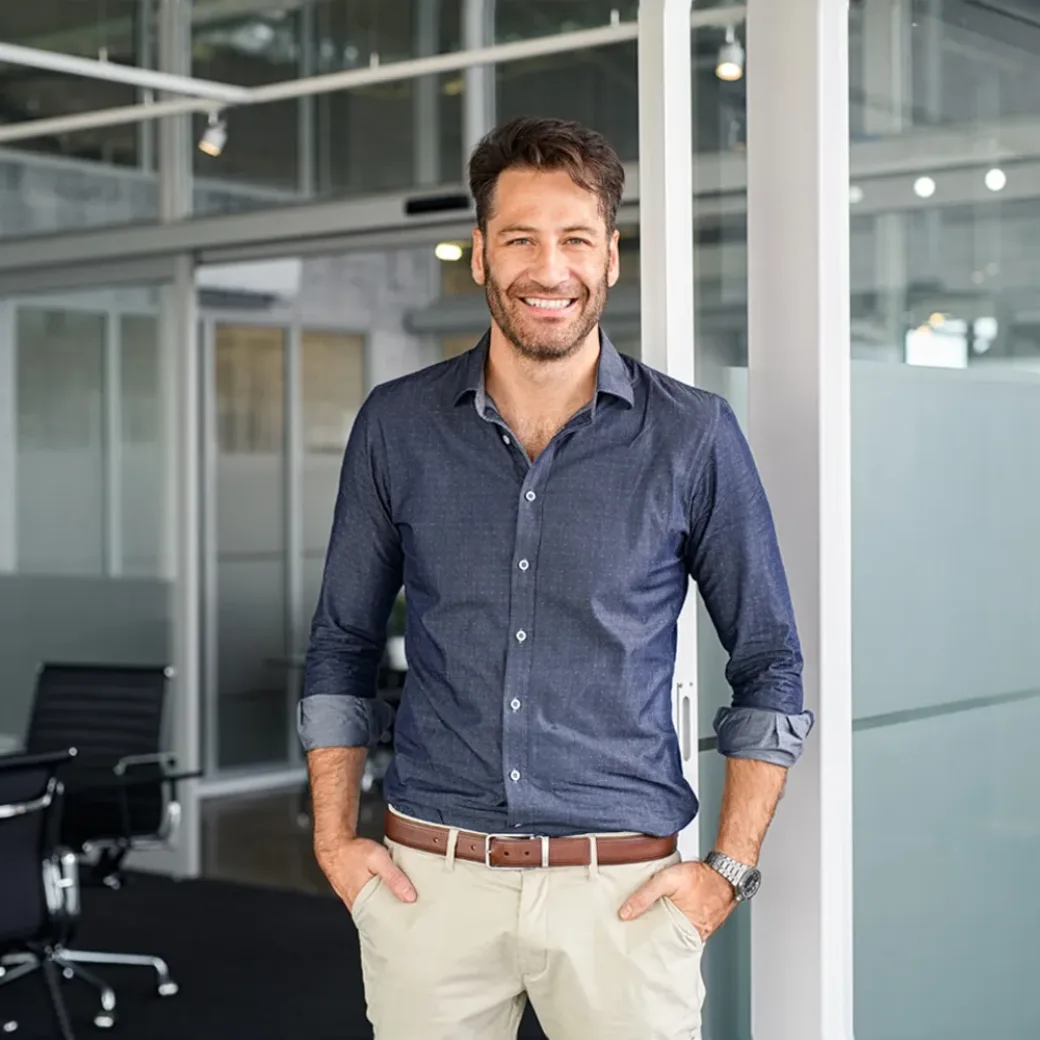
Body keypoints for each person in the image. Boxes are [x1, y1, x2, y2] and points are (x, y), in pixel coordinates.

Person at [299, 115, 813, 1040]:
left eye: (575, 239)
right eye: (520, 239)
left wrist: (727, 869)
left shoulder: (692, 437)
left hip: (622, 894)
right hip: (431, 887)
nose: (550, 268)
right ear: (481, 257)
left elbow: (771, 659)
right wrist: (334, 839)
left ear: (610, 258)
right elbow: (340, 643)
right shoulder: (397, 425)